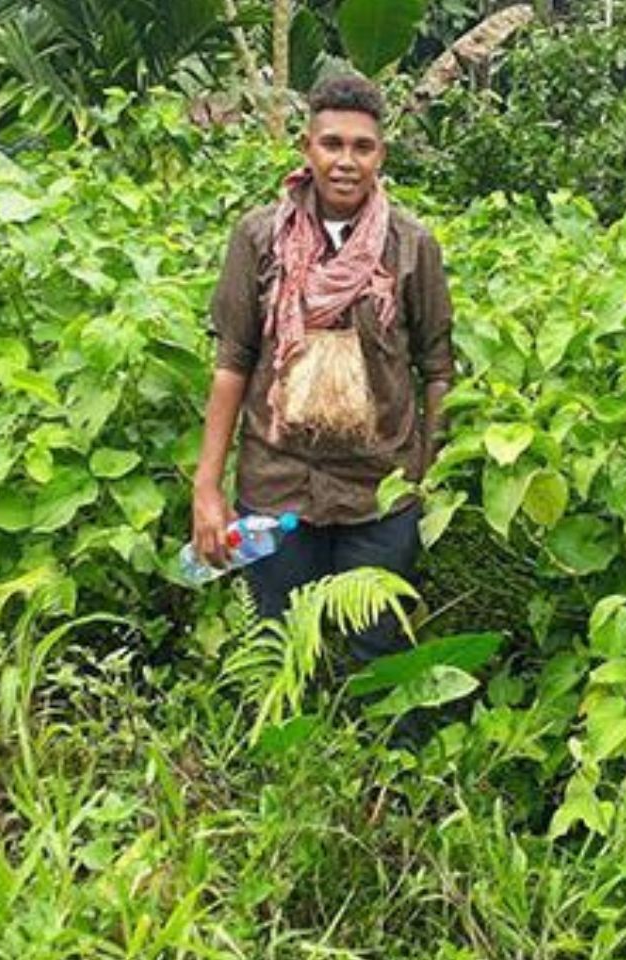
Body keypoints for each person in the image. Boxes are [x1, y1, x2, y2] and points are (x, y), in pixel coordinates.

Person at [191, 73, 454, 665]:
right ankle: (292, 728)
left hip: (381, 492)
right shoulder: (259, 238)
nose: (346, 161)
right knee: (278, 650)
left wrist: (425, 478)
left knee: (380, 650)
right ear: (306, 148)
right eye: (332, 144)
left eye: (362, 147)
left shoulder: (412, 246)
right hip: (276, 484)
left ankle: (379, 729)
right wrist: (206, 487)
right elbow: (234, 360)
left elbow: (437, 367)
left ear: (381, 156)